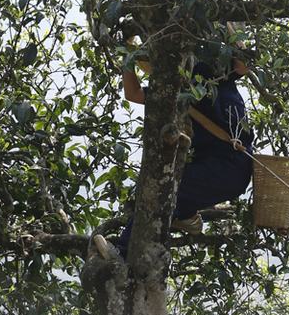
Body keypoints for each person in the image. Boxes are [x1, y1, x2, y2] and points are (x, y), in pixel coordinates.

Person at [100, 51, 254, 259]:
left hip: (230, 166)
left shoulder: (212, 70)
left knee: (161, 190)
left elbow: (244, 64)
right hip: (212, 164)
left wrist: (232, 27)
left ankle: (123, 252)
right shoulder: (174, 91)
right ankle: (185, 214)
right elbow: (133, 94)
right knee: (163, 187)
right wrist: (128, 56)